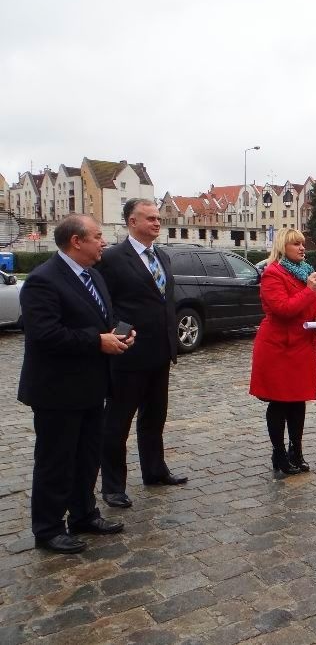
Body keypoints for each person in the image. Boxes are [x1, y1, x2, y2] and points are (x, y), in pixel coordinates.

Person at [18, 215, 131, 553]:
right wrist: (98, 341)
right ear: (76, 241)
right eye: (98, 236)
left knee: (86, 456)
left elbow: (102, 319)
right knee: (56, 460)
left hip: (92, 386)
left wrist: (119, 335)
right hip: (57, 390)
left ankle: (84, 514)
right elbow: (44, 334)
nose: (104, 242)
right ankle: (48, 528)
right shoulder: (43, 280)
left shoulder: (93, 275)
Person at [97, 198, 184, 509]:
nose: (156, 223)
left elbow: (165, 301)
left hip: (160, 352)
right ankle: (113, 486)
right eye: (149, 218)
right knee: (117, 423)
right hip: (129, 353)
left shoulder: (160, 255)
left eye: (158, 218)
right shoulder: (112, 258)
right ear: (131, 222)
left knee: (154, 417)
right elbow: (103, 303)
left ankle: (155, 470)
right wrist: (115, 333)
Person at [249, 228, 316, 473]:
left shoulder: (305, 270)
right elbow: (283, 309)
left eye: (303, 244)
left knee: (298, 401)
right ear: (284, 247)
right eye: (296, 244)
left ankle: (297, 450)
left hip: (301, 343)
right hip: (279, 346)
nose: (302, 248)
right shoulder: (273, 274)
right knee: (280, 402)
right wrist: (309, 291)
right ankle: (279, 453)